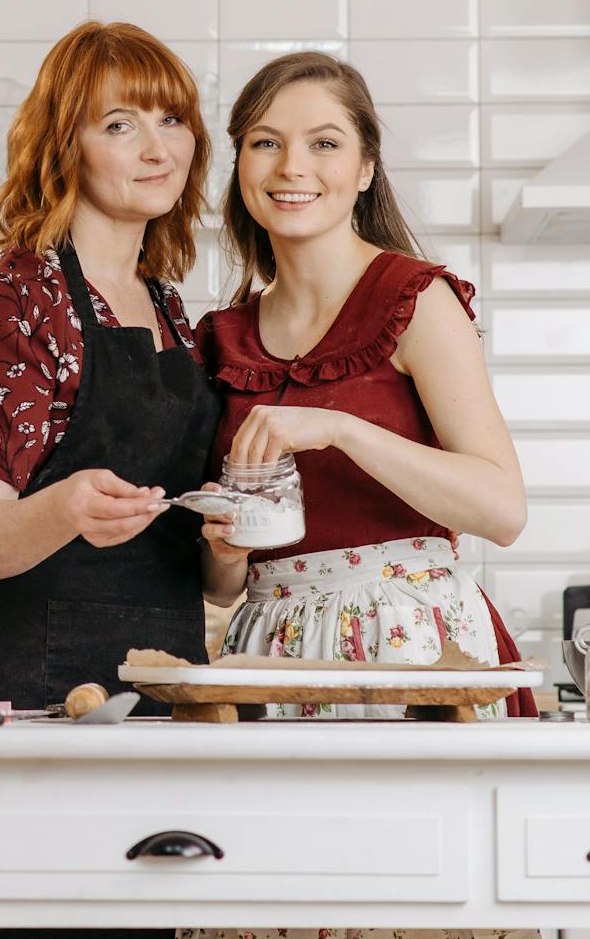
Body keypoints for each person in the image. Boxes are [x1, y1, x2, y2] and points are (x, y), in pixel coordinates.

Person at [191, 51, 536, 729]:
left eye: (324, 143)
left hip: (410, 651)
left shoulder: (414, 300)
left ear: (365, 169)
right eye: (267, 143)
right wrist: (226, 556)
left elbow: (502, 510)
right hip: (270, 656)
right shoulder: (221, 339)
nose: (293, 166)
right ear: (242, 168)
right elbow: (217, 581)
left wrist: (339, 427)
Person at [0, 20, 235, 727]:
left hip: (164, 680)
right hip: (28, 695)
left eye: (173, 119)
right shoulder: (13, 299)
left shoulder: (168, 306)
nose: (159, 148)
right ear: (67, 148)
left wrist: (225, 546)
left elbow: (204, 580)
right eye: (120, 125)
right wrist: (66, 507)